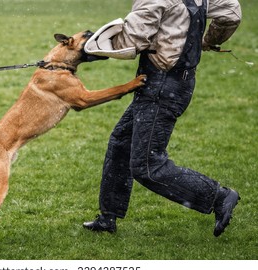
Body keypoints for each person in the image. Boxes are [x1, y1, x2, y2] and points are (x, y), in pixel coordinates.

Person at [83, 0, 242, 237]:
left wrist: (90, 47)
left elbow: (131, 40)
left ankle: (219, 196)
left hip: (161, 85)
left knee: (147, 165)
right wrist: (209, 40)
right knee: (121, 143)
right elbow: (232, 13)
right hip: (179, 83)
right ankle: (108, 217)